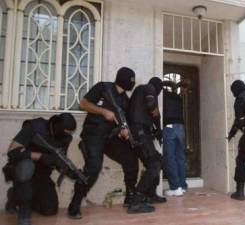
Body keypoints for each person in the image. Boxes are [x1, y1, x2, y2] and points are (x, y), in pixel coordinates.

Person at [68, 67, 137, 219]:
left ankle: (130, 197)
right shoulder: (103, 87)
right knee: (93, 167)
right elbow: (83, 104)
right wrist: (103, 111)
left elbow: (120, 122)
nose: (132, 82)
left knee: (131, 158)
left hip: (110, 138)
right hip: (93, 135)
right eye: (131, 80)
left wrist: (123, 131)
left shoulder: (125, 100)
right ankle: (75, 203)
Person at [3, 113, 77, 225]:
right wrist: (40, 156)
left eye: (69, 133)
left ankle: (15, 196)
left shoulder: (65, 138)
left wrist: (70, 172)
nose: (67, 135)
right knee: (27, 167)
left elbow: (59, 160)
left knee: (50, 209)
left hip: (41, 174)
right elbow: (12, 152)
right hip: (22, 169)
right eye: (66, 131)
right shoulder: (35, 127)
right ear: (57, 126)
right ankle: (24, 213)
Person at [127, 76, 165, 213]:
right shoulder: (149, 88)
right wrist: (158, 125)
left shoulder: (138, 90)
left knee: (157, 161)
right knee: (155, 163)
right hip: (140, 132)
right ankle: (136, 201)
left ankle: (151, 195)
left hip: (137, 132)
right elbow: (151, 106)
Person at [162, 81, 187, 196]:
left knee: (169, 157)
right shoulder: (178, 97)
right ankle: (182, 186)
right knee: (180, 157)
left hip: (169, 127)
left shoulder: (164, 96)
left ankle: (175, 187)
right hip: (180, 127)